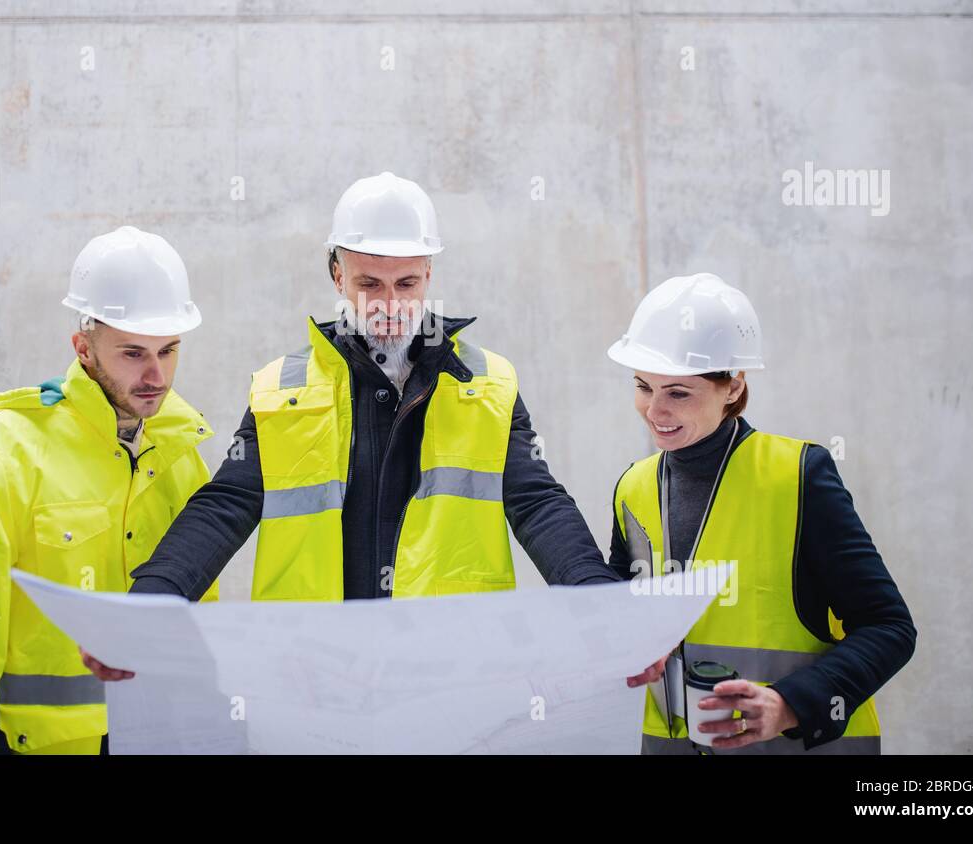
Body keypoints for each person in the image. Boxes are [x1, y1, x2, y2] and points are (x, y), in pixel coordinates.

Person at [82, 172, 664, 696]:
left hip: (448, 676)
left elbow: (538, 506)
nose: (388, 304)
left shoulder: (486, 384)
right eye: (369, 283)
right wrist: (147, 608)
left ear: (430, 275)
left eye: (406, 284)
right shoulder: (284, 389)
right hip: (315, 675)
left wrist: (604, 612)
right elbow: (225, 506)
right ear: (337, 273)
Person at [0, 226, 218, 754]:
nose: (157, 374)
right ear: (83, 348)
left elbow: (196, 629)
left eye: (169, 350)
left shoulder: (181, 457)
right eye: (133, 353)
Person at [606, 272, 916, 754]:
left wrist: (789, 705)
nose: (654, 411)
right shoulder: (633, 486)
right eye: (644, 387)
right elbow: (621, 620)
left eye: (678, 392)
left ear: (732, 387)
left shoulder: (797, 476)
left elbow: (889, 629)